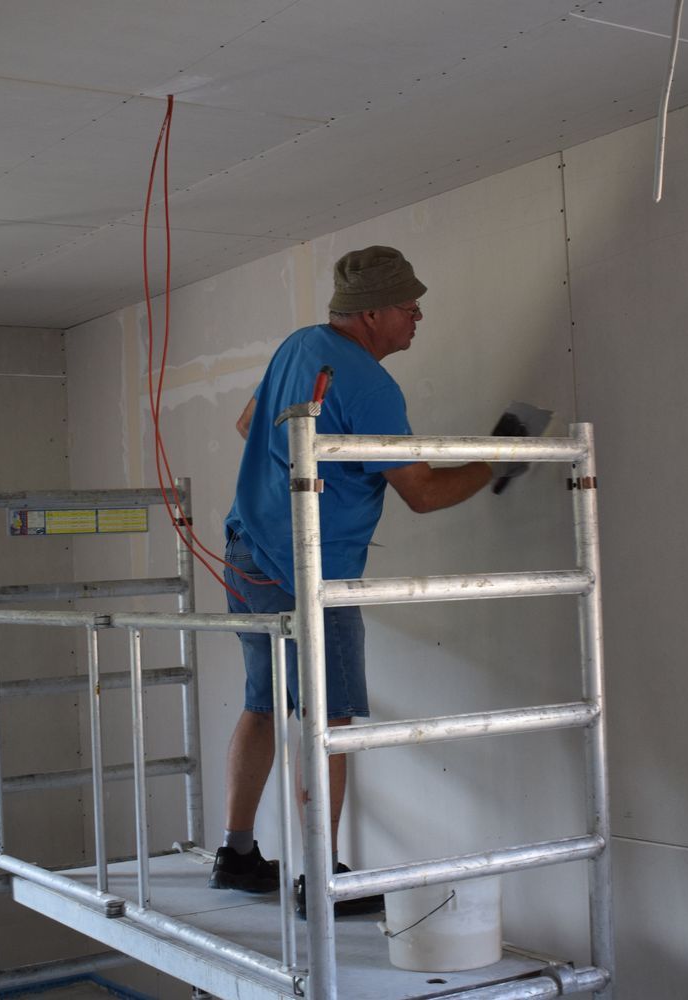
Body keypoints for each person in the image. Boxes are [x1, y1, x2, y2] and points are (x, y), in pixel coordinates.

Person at [208, 245, 517, 914]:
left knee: (263, 704)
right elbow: (423, 494)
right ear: (372, 314)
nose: (418, 317)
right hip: (309, 568)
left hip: (246, 552)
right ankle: (320, 880)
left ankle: (236, 853)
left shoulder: (299, 345)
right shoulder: (370, 385)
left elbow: (247, 423)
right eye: (409, 307)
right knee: (329, 720)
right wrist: (496, 460)